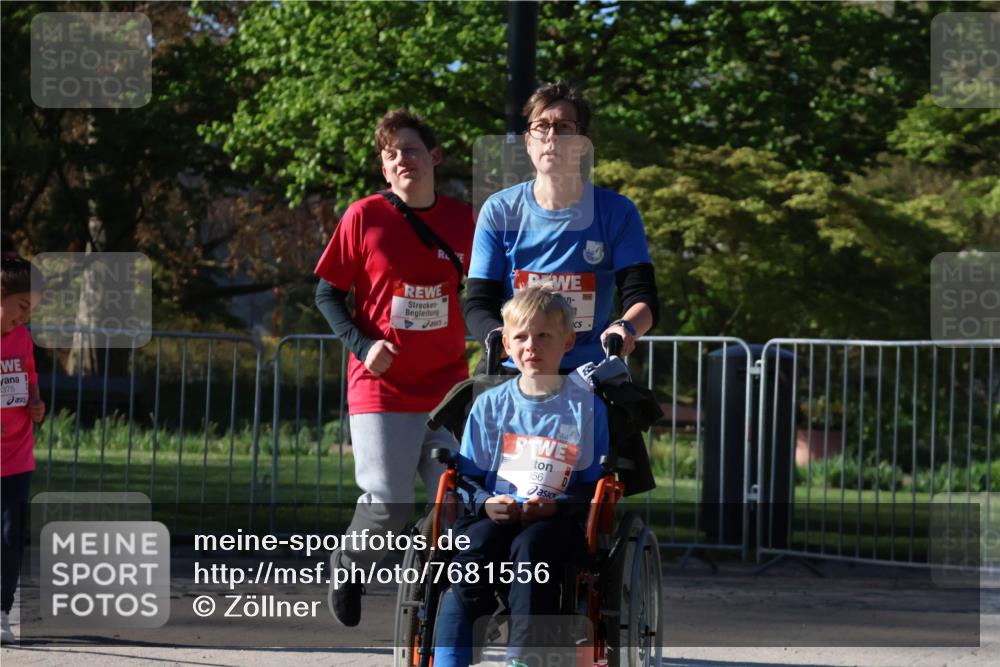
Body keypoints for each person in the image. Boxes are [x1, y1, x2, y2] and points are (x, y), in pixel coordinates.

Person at [314, 109, 475, 627]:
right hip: (381, 387)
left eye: (410, 149)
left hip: (449, 385)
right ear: (384, 170)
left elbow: (487, 292)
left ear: (434, 157)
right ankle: (349, 567)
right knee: (388, 504)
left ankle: (441, 605)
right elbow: (328, 293)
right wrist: (363, 344)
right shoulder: (363, 216)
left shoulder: (464, 221)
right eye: (390, 155)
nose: (401, 159)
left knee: (457, 502)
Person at [433, 284, 609, 667]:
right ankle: (449, 657)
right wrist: (486, 502)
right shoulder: (488, 405)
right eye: (521, 337)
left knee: (531, 551)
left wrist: (554, 506)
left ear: (568, 341)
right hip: (496, 513)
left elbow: (592, 485)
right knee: (469, 552)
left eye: (544, 335)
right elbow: (467, 477)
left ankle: (523, 659)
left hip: (556, 521)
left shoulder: (586, 408)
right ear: (506, 345)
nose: (532, 346)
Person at [464, 81, 660, 372]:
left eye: (564, 127)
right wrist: (498, 337)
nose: (551, 136)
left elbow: (643, 298)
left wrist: (626, 327)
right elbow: (478, 302)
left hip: (589, 373)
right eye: (541, 126)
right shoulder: (499, 210)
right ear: (528, 141)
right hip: (513, 372)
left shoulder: (618, 212)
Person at [1, 248, 46, 645]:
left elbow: (30, 379)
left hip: (16, 455)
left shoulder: (23, 339)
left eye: (30, 310)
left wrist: (36, 404)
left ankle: (2, 611)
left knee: (11, 534)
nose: (24, 316)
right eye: (20, 306)